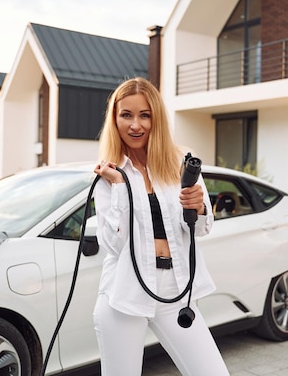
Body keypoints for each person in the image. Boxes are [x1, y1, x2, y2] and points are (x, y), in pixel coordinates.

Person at [93, 77, 230, 376]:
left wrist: (199, 207)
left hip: (175, 289)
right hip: (125, 293)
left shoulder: (180, 160)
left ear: (157, 118)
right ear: (115, 119)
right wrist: (119, 188)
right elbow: (111, 245)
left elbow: (202, 229)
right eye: (126, 115)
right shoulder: (109, 172)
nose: (135, 125)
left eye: (144, 115)